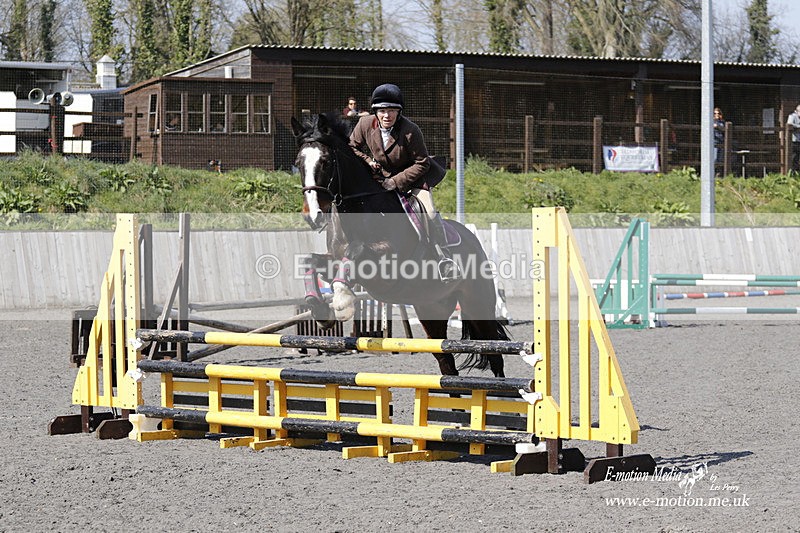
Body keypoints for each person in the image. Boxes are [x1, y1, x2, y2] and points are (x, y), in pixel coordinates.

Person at [349, 83, 458, 281]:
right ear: (375, 111)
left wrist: (395, 182)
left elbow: (422, 163)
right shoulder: (365, 124)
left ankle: (443, 257)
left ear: (399, 112)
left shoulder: (410, 130)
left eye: (391, 111)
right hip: (379, 180)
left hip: (412, 179)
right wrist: (367, 161)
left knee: (430, 211)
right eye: (382, 111)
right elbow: (351, 148)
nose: (386, 116)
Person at [788, 104, 800, 174]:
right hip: (794, 141)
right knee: (794, 157)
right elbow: (789, 125)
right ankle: (792, 173)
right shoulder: (792, 116)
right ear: (796, 111)